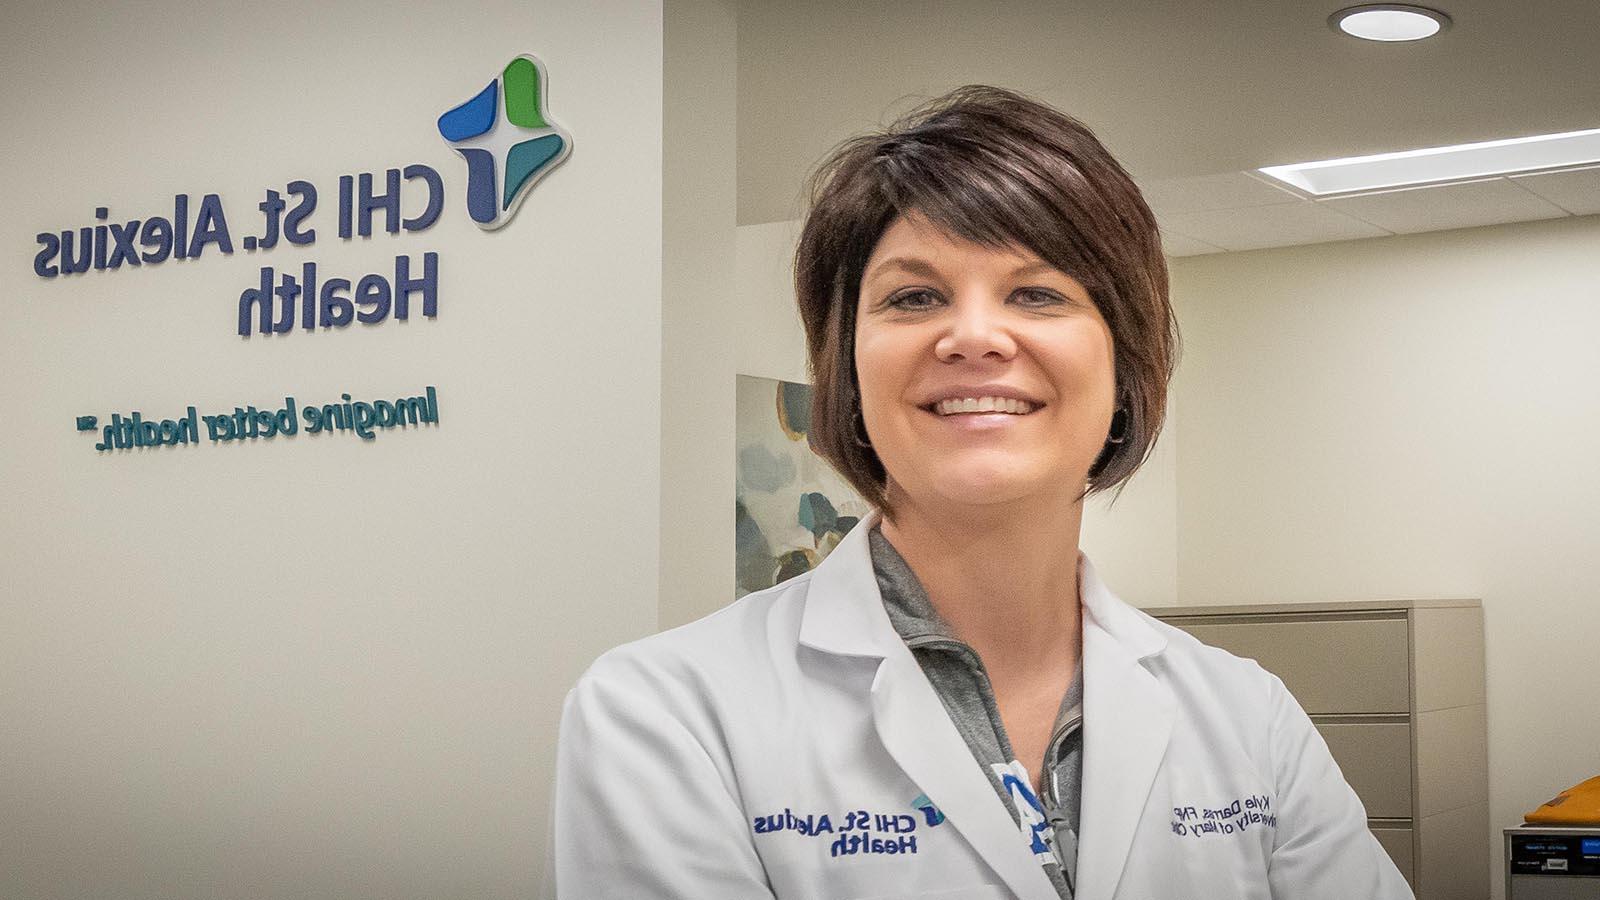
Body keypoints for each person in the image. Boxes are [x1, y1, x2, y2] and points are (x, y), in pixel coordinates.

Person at [546, 85, 1413, 900]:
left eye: (1037, 293)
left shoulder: (1245, 715)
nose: (972, 337)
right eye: (914, 296)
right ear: (846, 363)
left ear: (1124, 364)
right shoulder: (665, 714)